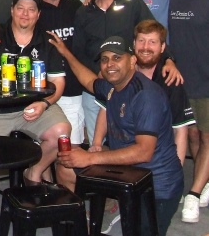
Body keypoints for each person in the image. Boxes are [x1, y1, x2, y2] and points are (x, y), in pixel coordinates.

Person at [0, 0, 72, 236]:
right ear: (11, 11)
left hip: (33, 107)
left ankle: (33, 171)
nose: (25, 13)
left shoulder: (47, 41)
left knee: (61, 131)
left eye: (31, 9)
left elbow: (59, 83)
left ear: (38, 14)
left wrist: (45, 104)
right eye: (20, 8)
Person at [50, 34, 183, 236]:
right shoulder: (113, 87)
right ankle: (81, 227)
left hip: (157, 184)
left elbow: (144, 152)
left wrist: (90, 157)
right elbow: (88, 80)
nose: (109, 64)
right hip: (126, 170)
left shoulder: (146, 96)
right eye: (104, 59)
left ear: (132, 60)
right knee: (66, 167)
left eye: (116, 57)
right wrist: (66, 53)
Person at [72, 0, 179, 145]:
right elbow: (79, 52)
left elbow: (152, 35)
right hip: (96, 89)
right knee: (98, 145)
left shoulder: (133, 4)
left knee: (128, 143)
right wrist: (98, 72)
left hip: (130, 88)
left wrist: (169, 59)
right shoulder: (83, 13)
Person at [91, 20, 194, 165]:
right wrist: (96, 144)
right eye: (141, 41)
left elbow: (180, 131)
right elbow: (105, 108)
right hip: (116, 150)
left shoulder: (170, 81)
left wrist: (176, 171)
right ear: (134, 44)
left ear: (162, 47)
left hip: (154, 156)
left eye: (152, 42)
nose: (146, 47)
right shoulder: (120, 70)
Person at [168, 0, 209, 224]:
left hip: (207, 80)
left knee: (207, 137)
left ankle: (193, 194)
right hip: (183, 81)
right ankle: (203, 182)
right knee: (193, 136)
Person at [36, 0, 85, 148]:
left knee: (71, 147)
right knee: (43, 146)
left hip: (73, 90)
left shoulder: (77, 6)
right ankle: (40, 178)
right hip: (42, 91)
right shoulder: (32, 10)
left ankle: (64, 178)